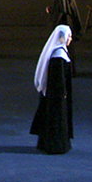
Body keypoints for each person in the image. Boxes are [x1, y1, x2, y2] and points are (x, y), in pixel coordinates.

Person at [30, 24, 74, 154]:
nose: (70, 39)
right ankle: (55, 146)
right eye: (69, 36)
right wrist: (62, 94)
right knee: (56, 119)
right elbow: (58, 78)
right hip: (56, 96)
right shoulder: (58, 55)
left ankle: (45, 143)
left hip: (52, 94)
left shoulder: (58, 52)